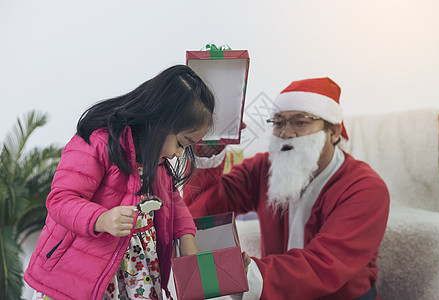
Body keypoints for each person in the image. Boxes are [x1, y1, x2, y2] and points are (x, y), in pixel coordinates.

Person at [183, 77, 390, 300]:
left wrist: (248, 274)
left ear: (335, 131)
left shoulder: (365, 187)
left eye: (301, 122)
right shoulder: (264, 168)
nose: (286, 133)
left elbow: (327, 264)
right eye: (279, 123)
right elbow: (202, 210)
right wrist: (208, 155)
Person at [24, 65, 216, 300]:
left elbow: (171, 201)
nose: (179, 154)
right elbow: (60, 200)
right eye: (180, 143)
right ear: (158, 122)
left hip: (138, 274)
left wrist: (186, 239)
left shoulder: (155, 159)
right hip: (81, 276)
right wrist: (101, 219)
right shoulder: (99, 142)